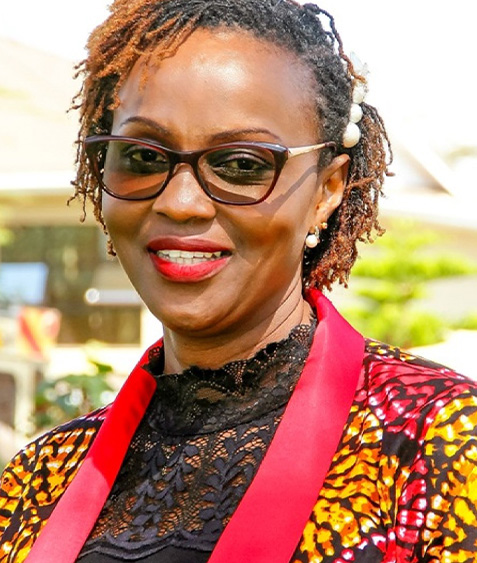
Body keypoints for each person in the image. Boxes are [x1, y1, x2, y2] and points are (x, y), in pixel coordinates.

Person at [1, 0, 476, 561]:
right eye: (143, 157)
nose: (180, 202)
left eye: (242, 164)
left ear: (327, 190)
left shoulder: (438, 443)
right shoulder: (40, 477)